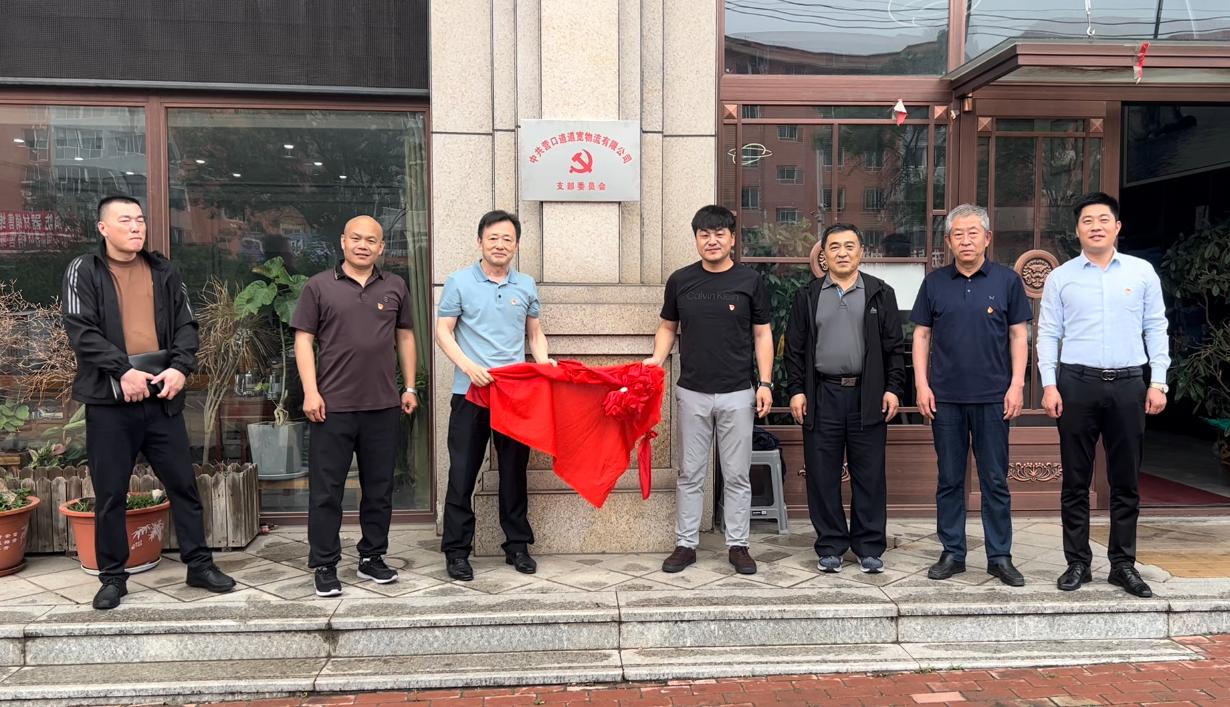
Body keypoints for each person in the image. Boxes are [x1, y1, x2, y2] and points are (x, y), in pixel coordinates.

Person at [62, 195, 236, 610]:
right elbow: (80, 330)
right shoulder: (84, 270)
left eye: (140, 219)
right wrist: (122, 371)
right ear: (103, 228)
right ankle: (112, 578)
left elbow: (187, 325)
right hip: (110, 402)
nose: (136, 227)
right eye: (125, 220)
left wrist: (180, 368)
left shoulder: (163, 270)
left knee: (183, 484)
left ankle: (199, 565)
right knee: (110, 494)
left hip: (161, 398)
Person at [1038, 192, 1170, 598]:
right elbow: (1048, 332)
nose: (1095, 226)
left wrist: (1158, 381)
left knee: (1125, 480)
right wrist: (1048, 383)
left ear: (1117, 227)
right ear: (1077, 230)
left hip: (1129, 384)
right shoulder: (1062, 277)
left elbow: (1156, 326)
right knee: (1075, 480)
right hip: (1076, 383)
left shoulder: (1141, 272)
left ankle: (1123, 564)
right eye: (1087, 221)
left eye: (1103, 220)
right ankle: (1077, 561)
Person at [291, 215, 418, 597]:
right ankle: (325, 563)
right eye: (357, 238)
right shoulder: (318, 286)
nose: (364, 245)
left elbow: (405, 336)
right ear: (343, 242)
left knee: (379, 488)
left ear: (382, 248)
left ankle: (372, 557)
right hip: (332, 407)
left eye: (372, 240)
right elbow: (303, 340)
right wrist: (311, 392)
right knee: (326, 491)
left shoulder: (395, 286)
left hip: (382, 406)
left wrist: (409, 387)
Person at [645, 205, 773, 576]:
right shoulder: (681, 280)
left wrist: (765, 383)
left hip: (737, 391)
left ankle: (738, 545)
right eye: (704, 234)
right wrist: (656, 360)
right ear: (697, 239)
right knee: (690, 473)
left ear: (732, 239)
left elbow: (762, 333)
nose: (711, 240)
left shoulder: (750, 280)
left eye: (719, 234)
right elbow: (668, 327)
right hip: (692, 391)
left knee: (736, 474)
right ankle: (685, 544)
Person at [911, 204, 1030, 587]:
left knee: (995, 479)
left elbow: (1019, 335)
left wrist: (1017, 384)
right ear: (948, 241)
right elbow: (921, 335)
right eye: (958, 234)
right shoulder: (934, 283)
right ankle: (953, 552)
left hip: (994, 397)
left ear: (987, 238)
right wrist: (922, 384)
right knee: (949, 478)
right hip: (945, 397)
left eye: (973, 232)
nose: (966, 240)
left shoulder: (1007, 281)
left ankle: (1000, 556)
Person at [436, 210, 552, 581]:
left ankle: (517, 546)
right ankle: (457, 551)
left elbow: (534, 333)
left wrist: (544, 363)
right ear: (480, 241)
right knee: (462, 473)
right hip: (469, 392)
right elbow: (443, 331)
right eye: (493, 238)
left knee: (515, 473)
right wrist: (468, 366)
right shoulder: (459, 281)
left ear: (516, 245)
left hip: (514, 395)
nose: (500, 245)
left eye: (507, 239)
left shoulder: (526, 285)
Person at [784, 223, 905, 574]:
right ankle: (831, 545)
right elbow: (794, 350)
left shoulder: (880, 293)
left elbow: (894, 348)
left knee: (870, 474)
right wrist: (796, 390)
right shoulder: (808, 295)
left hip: (868, 395)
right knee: (822, 474)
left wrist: (893, 388)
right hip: (822, 394)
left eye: (849, 246)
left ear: (861, 252)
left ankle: (869, 546)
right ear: (824, 254)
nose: (842, 253)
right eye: (834, 246)